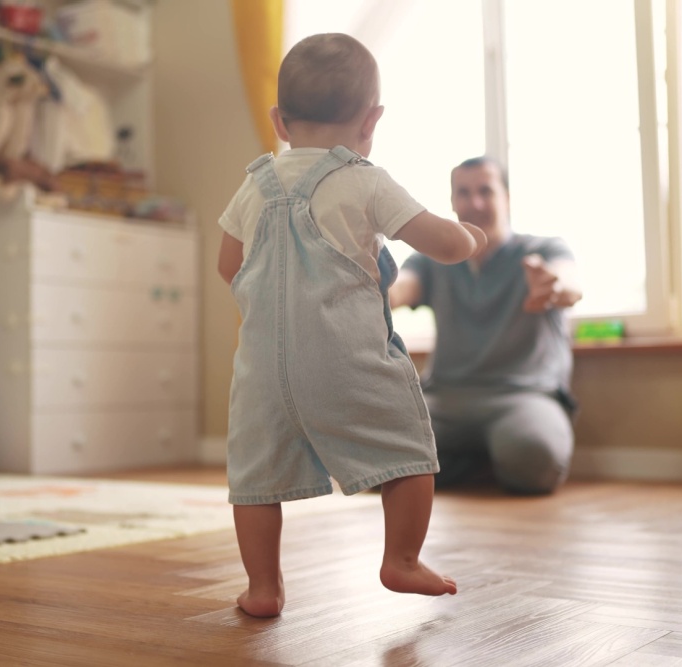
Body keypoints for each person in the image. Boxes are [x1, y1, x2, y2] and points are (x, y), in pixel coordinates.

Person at [217, 33, 487, 618]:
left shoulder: (253, 184)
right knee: (410, 450)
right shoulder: (364, 179)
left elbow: (227, 266)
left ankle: (263, 588)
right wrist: (470, 235)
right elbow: (442, 245)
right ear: (372, 119)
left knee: (256, 479)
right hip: (346, 360)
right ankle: (402, 560)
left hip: (261, 370)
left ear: (279, 121)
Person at [389, 156, 583, 496]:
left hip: (523, 396)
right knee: (381, 458)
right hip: (444, 399)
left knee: (535, 462)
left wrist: (552, 287)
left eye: (485, 191)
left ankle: (464, 462)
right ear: (452, 202)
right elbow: (401, 288)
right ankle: (481, 463)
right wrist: (373, 287)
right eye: (463, 193)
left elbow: (569, 285)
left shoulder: (544, 249)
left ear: (506, 197)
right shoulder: (431, 261)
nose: (474, 203)